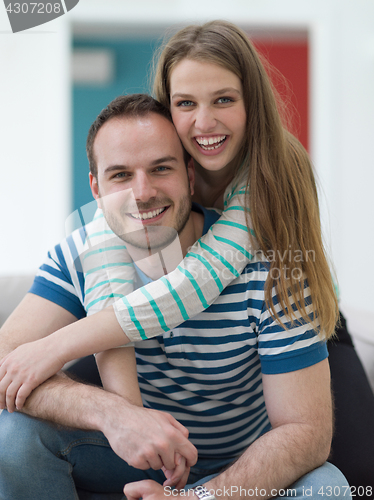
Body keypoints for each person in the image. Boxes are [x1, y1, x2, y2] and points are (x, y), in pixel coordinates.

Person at [0, 94, 349, 500]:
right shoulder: (79, 257)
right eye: (120, 175)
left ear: (189, 172)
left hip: (246, 468)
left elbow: (307, 433)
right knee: (15, 436)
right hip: (126, 458)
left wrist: (196, 499)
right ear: (95, 186)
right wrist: (114, 416)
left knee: (328, 489)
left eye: (160, 168)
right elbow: (5, 360)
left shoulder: (269, 268)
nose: (142, 192)